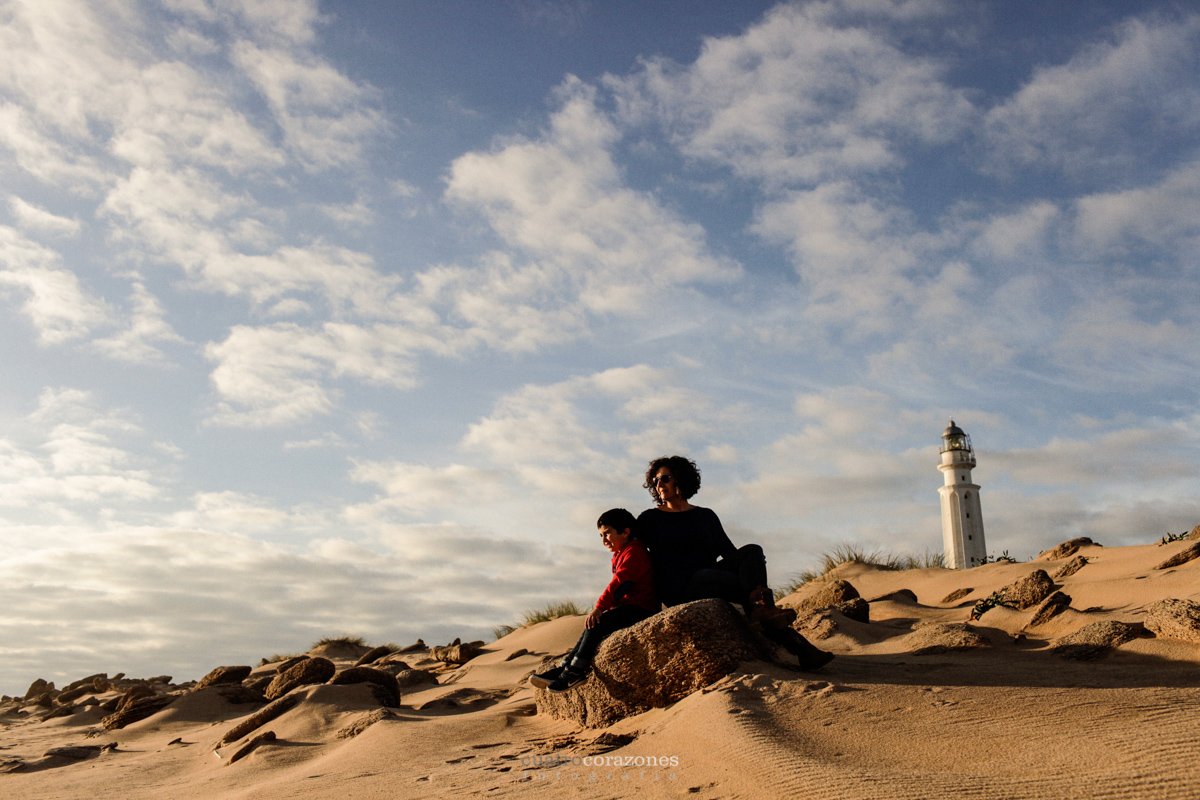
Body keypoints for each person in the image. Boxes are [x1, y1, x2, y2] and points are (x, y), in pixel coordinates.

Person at [636, 455, 833, 671]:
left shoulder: (705, 516)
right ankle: (778, 625)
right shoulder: (649, 519)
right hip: (679, 587)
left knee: (752, 552)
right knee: (722, 581)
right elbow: (635, 557)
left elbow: (729, 553)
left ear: (681, 479)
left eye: (665, 478)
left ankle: (765, 612)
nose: (659, 485)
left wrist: (750, 575)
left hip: (709, 577)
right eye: (655, 481)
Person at [529, 508, 659, 693]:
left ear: (625, 531)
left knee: (597, 623)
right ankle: (566, 667)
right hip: (630, 607)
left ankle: (575, 672)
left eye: (607, 533)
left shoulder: (634, 552)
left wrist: (600, 607)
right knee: (591, 627)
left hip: (641, 609)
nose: (604, 540)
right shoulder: (621, 553)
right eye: (600, 536)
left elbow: (620, 583)